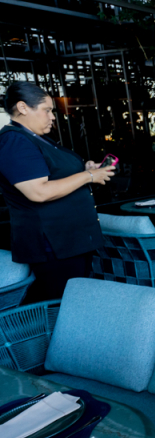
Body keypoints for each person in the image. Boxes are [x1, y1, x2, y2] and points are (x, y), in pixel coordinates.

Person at [0, 81, 115, 300]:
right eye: (47, 110)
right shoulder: (15, 141)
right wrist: (88, 176)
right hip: (54, 244)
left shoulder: (36, 139)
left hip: (69, 241)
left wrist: (85, 170)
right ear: (23, 108)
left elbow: (56, 176)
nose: (53, 116)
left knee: (75, 301)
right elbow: (39, 192)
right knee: (59, 304)